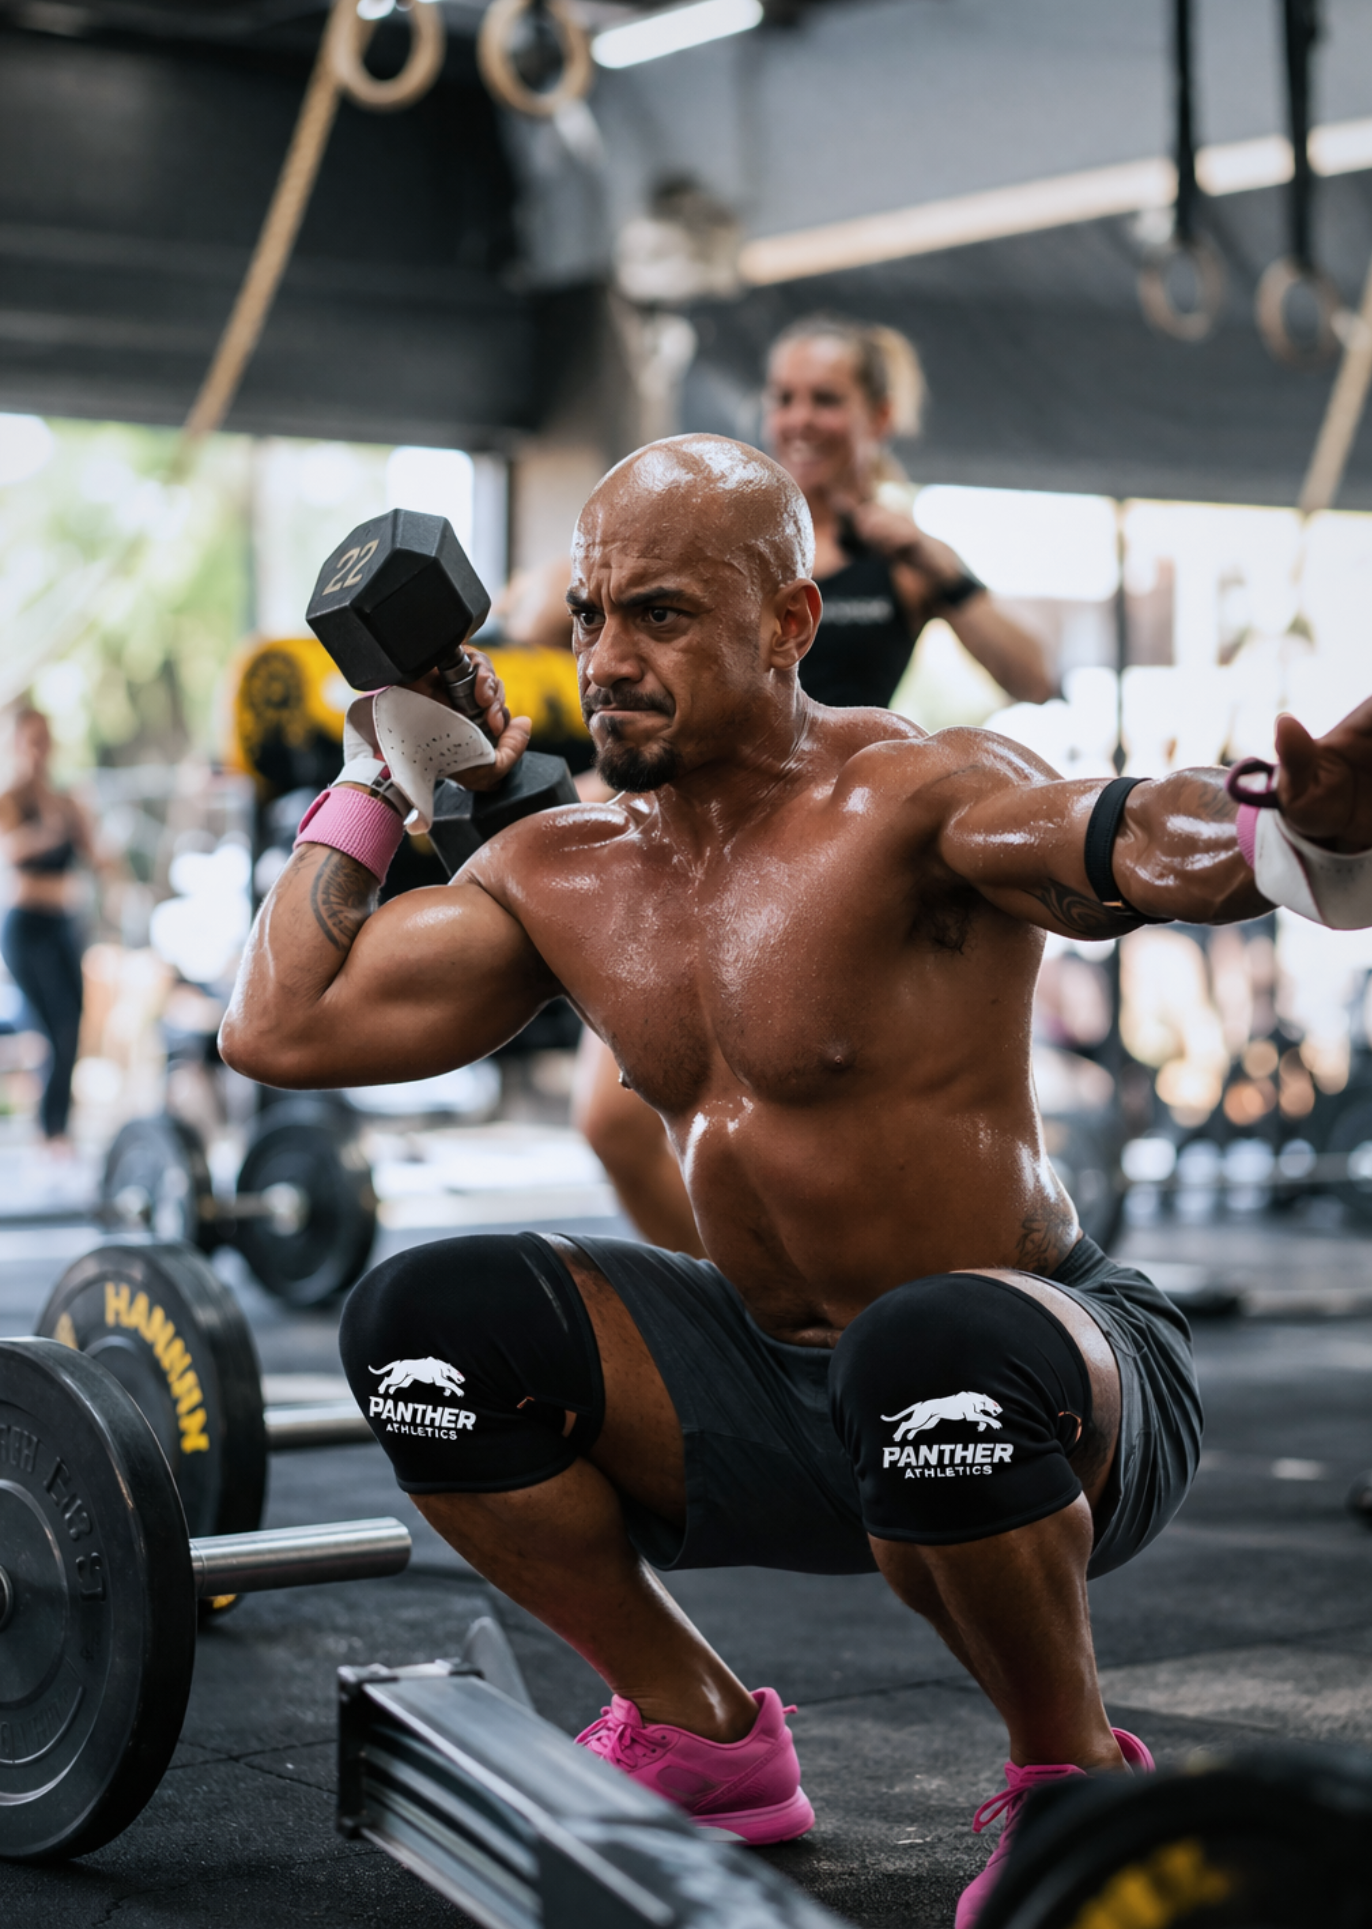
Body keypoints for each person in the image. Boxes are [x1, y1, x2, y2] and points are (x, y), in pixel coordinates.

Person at [221, 437, 1372, 1926]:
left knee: (923, 1348)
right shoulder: (563, 870)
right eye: (588, 614)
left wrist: (1296, 826)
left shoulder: (913, 797)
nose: (607, 658)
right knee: (420, 1330)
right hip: (777, 1388)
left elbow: (1134, 839)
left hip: (1041, 1373)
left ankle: (1072, 1782)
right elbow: (280, 1025)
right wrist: (388, 771)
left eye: (663, 616)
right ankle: (698, 1733)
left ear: (789, 625)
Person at [507, 318, 1056, 1254]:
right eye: (786, 397)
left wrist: (931, 556)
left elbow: (1035, 672)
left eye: (827, 398)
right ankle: (747, 1309)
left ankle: (852, 1303)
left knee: (841, 1124)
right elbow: (538, 609)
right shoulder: (705, 537)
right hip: (700, 848)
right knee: (611, 1120)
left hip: (846, 862)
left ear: (877, 416)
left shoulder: (899, 563)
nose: (800, 418)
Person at [0, 707, 101, 1152]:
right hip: (25, 932)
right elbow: (14, 878)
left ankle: (59, 1129)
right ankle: (48, 1132)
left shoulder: (67, 801)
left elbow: (96, 859)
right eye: (29, 740)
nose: (38, 750)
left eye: (43, 739)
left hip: (61, 929)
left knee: (73, 1024)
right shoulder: (9, 800)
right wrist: (59, 885)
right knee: (51, 1028)